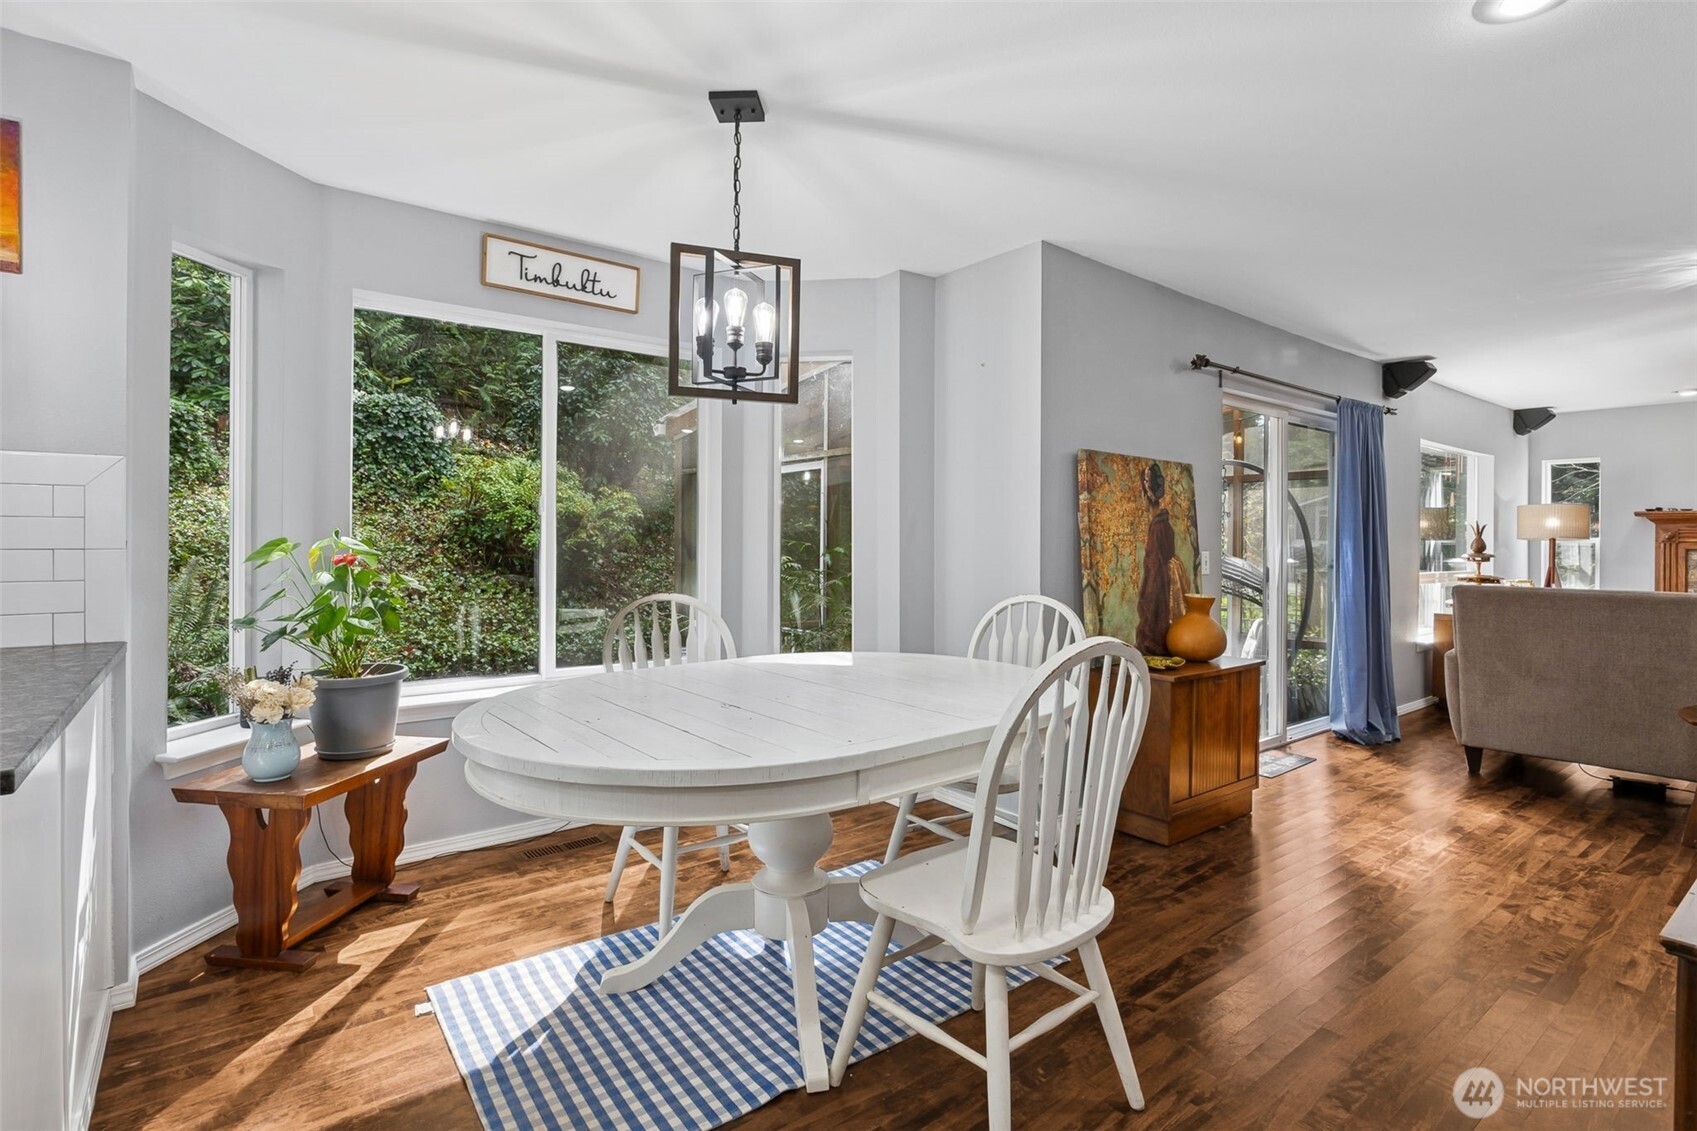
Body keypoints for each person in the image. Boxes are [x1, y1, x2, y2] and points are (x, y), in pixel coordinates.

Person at [1134, 462, 1192, 656]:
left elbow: (1153, 569)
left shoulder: (1158, 527)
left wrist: (1147, 597)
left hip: (1161, 583)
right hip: (1167, 578)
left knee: (1153, 618)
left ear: (1146, 495)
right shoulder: (1163, 522)